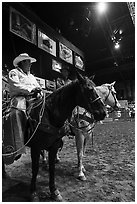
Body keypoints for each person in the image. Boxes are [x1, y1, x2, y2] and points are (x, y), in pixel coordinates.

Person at [7, 53, 42, 159]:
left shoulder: (31, 76)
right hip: (19, 98)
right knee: (17, 112)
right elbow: (15, 85)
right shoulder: (14, 72)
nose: (30, 64)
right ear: (22, 62)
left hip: (34, 98)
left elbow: (38, 87)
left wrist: (39, 92)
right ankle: (18, 146)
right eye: (28, 62)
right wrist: (31, 90)